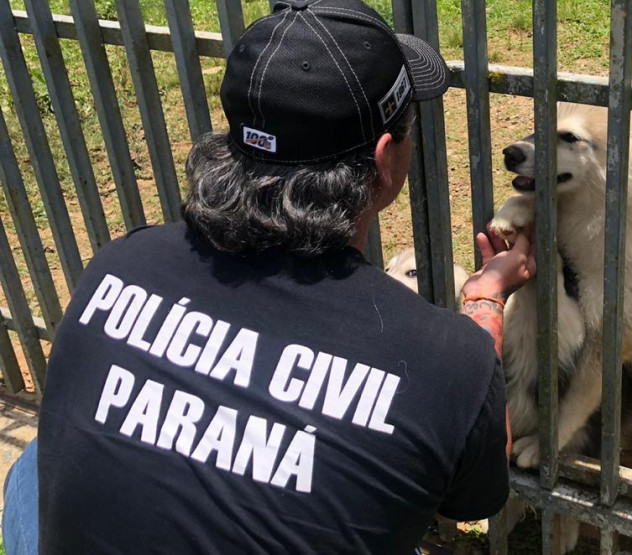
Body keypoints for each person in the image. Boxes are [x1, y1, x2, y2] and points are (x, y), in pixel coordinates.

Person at [2, 1, 535, 553]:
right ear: (383, 160)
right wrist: (484, 304)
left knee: (35, 464)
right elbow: (473, 499)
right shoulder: (446, 357)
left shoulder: (120, 262)